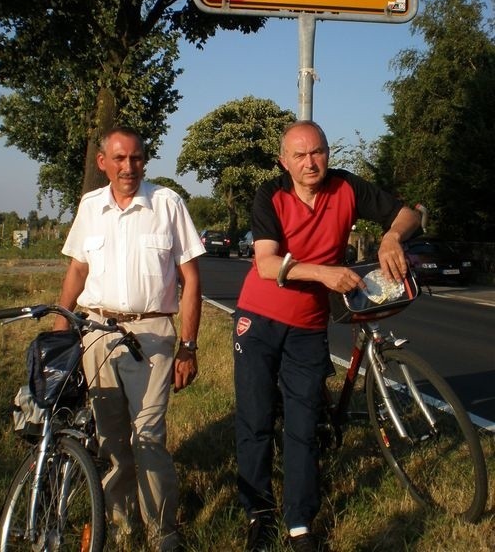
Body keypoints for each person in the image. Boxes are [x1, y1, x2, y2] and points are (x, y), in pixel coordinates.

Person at [232, 120, 421, 552]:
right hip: (258, 318)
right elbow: (266, 263)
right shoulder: (270, 195)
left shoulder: (347, 188)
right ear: (284, 161)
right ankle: (258, 512)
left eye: (316, 152)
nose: (309, 162)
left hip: (308, 324)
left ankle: (300, 523)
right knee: (256, 417)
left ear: (328, 154)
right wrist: (325, 272)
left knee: (302, 422)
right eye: (299, 155)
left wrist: (392, 235)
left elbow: (408, 212)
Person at [52, 126, 205, 552]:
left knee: (148, 436)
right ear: (102, 162)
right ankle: (119, 527)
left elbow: (191, 279)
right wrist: (62, 326)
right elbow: (77, 271)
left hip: (152, 336)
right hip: (97, 332)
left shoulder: (167, 203)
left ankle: (162, 533)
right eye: (119, 159)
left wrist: (188, 346)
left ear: (145, 161)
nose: (128, 167)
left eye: (136, 158)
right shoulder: (89, 206)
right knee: (111, 439)